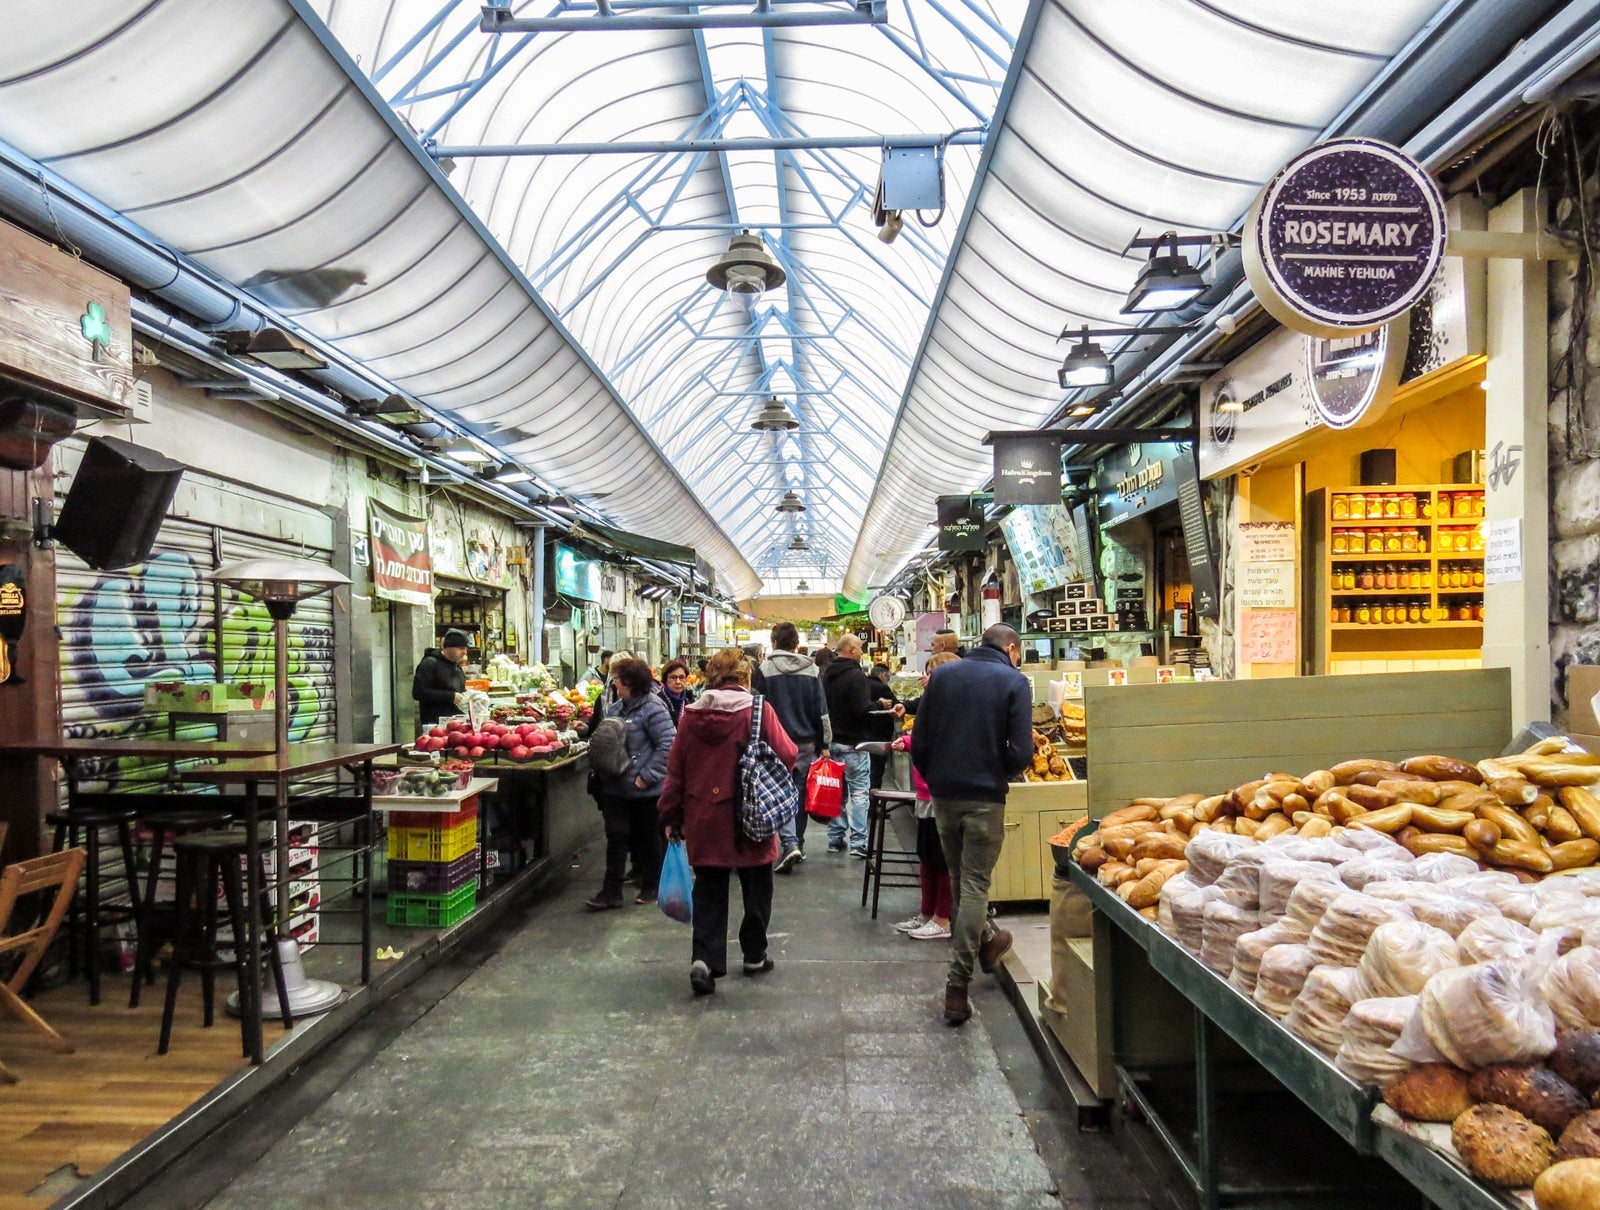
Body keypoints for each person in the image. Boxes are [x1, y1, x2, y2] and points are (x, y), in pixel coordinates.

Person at [910, 623, 1033, 1026]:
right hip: (984, 798)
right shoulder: (1014, 681)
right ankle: (957, 986)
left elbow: (921, 740)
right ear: (1012, 649)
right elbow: (1023, 750)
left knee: (962, 879)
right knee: (975, 885)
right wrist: (999, 772)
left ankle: (987, 941)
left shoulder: (943, 675)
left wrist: (938, 776)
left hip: (945, 795)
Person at [658, 648, 797, 996]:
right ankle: (754, 954)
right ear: (744, 676)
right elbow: (789, 753)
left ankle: (705, 960)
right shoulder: (758, 710)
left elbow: (676, 770)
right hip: (753, 811)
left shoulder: (691, 715)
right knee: (757, 884)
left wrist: (671, 814)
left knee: (709, 888)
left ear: (711, 677)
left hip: (704, 814)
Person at [585, 657, 676, 911]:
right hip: (615, 788)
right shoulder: (617, 708)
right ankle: (610, 891)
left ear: (628, 682)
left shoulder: (654, 708)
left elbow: (668, 745)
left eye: (616, 679)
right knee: (616, 836)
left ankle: (652, 884)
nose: (613, 683)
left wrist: (645, 776)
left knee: (648, 838)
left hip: (644, 790)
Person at [889, 651, 958, 939]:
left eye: (931, 673)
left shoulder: (953, 708)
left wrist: (911, 742)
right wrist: (908, 741)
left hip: (941, 792)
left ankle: (942, 919)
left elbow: (941, 744)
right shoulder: (934, 705)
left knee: (941, 859)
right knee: (927, 856)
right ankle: (927, 913)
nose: (925, 678)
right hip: (925, 791)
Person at [754, 622, 830, 872]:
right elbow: (821, 712)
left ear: (774, 642)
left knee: (776, 792)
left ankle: (787, 844)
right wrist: (825, 744)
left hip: (774, 742)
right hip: (805, 743)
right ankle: (797, 842)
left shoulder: (764, 670)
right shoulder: (812, 670)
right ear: (796, 644)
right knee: (798, 793)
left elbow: (758, 709)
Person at [821, 634, 874, 856]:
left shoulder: (825, 676)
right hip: (854, 743)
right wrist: (879, 705)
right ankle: (859, 842)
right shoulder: (856, 675)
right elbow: (862, 708)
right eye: (860, 648)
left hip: (831, 743)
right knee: (859, 792)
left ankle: (835, 839)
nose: (862, 652)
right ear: (851, 650)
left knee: (836, 791)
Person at [412, 629, 470, 728]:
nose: (464, 652)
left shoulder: (456, 665)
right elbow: (418, 692)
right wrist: (450, 696)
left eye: (465, 648)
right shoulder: (430, 663)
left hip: (455, 724)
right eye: (461, 648)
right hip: (435, 725)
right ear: (448, 647)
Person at [865, 661, 902, 790]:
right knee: (876, 771)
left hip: (864, 733)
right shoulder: (882, 688)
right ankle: (874, 805)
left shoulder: (862, 684)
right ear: (882, 675)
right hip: (880, 734)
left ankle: (869, 804)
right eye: (888, 677)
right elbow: (897, 705)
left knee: (866, 771)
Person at [660, 658, 694, 726]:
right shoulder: (658, 701)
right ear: (665, 679)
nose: (678, 682)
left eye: (681, 677)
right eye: (673, 677)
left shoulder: (690, 700)